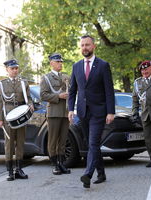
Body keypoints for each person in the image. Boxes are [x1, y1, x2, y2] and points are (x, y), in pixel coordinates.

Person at [68, 35, 115, 188]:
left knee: (93, 142)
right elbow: (73, 90)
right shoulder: (76, 66)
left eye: (87, 45)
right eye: (82, 45)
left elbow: (109, 91)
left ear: (94, 46)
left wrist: (110, 111)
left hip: (99, 112)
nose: (84, 48)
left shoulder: (103, 65)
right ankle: (101, 173)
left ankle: (88, 174)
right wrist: (70, 109)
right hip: (82, 112)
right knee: (91, 145)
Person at [0, 59, 33, 181]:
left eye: (16, 68)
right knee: (9, 145)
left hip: (21, 116)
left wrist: (31, 104)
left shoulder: (23, 83)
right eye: (12, 68)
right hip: (8, 117)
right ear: (7, 69)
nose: (15, 70)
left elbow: (28, 97)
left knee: (21, 143)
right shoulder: (1, 84)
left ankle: (19, 169)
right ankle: (10, 171)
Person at [40, 53, 71, 175]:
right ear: (51, 63)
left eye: (61, 62)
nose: (60, 64)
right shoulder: (46, 78)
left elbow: (72, 91)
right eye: (57, 62)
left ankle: (61, 163)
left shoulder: (66, 77)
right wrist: (58, 96)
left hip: (65, 112)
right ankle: (54, 164)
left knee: (63, 140)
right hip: (53, 112)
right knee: (52, 140)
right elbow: (43, 95)